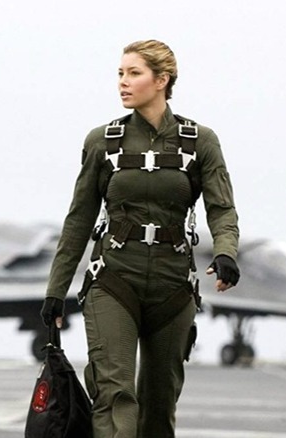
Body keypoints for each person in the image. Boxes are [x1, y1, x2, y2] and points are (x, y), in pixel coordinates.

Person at [40, 39, 240, 437]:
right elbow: (78, 218)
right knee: (115, 396)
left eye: (134, 73)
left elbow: (221, 207)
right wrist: (55, 289)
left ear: (162, 80)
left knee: (158, 407)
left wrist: (226, 252)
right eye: (120, 73)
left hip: (173, 285)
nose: (123, 83)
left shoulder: (200, 141)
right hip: (114, 278)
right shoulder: (102, 141)